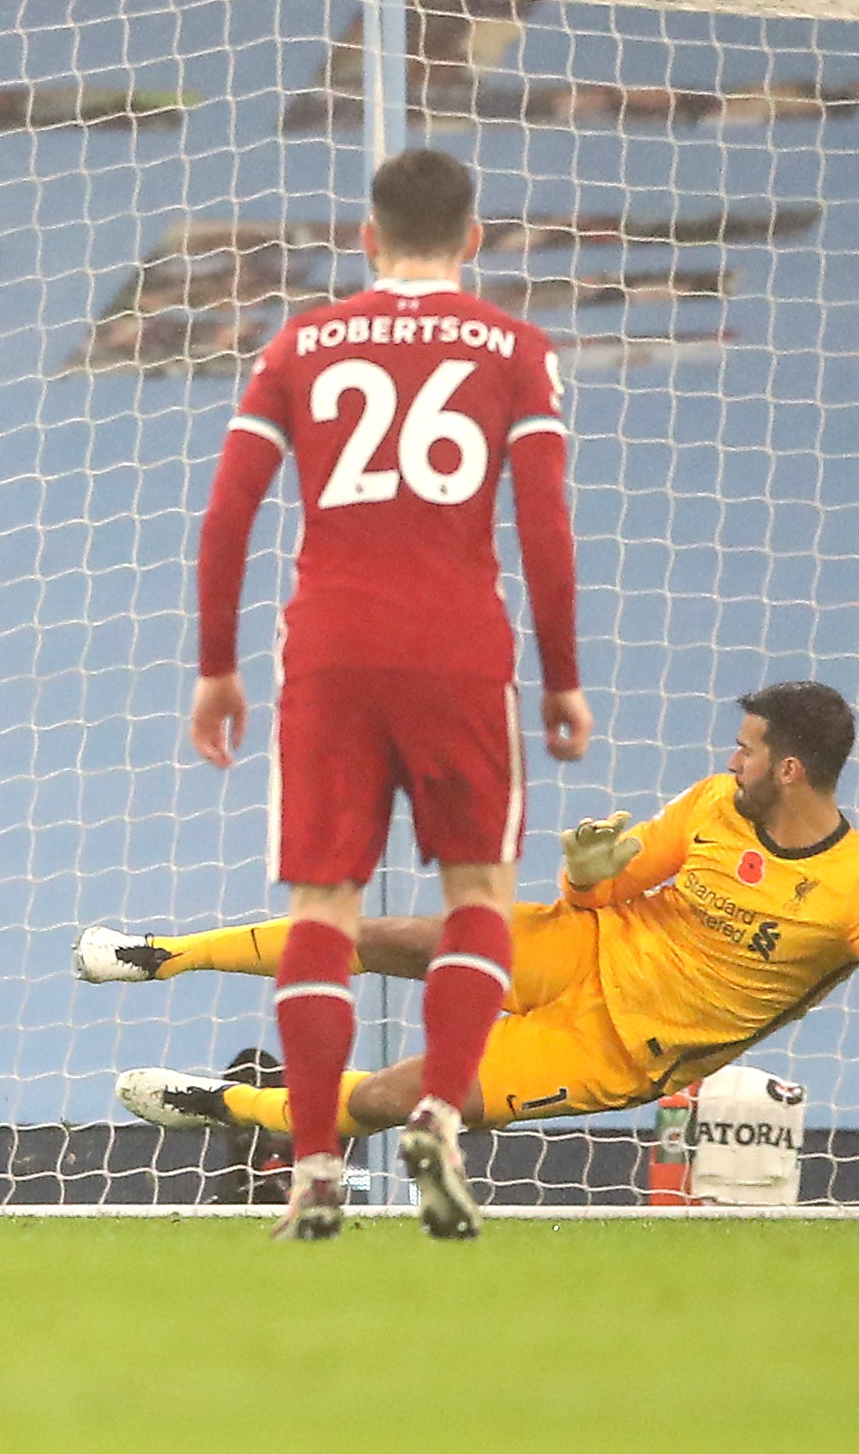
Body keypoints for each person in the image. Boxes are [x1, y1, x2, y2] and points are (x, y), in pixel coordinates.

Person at [171, 145, 589, 1243]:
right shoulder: (516, 348)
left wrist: (217, 665)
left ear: (366, 237)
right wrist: (564, 678)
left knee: (323, 909)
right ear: (474, 238)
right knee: (479, 896)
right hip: (460, 648)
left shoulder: (302, 342)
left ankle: (313, 1165)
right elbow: (544, 526)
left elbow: (228, 514)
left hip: (333, 649)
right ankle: (441, 1117)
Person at [95, 682, 859, 1144]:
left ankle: (221, 1101)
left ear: (792, 771)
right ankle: (161, 954)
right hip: (583, 945)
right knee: (390, 935)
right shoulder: (710, 806)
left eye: (747, 751)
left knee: (387, 1097)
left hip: (615, 1050)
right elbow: (605, 888)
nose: (731, 761)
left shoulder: (858, 889)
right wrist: (587, 874)